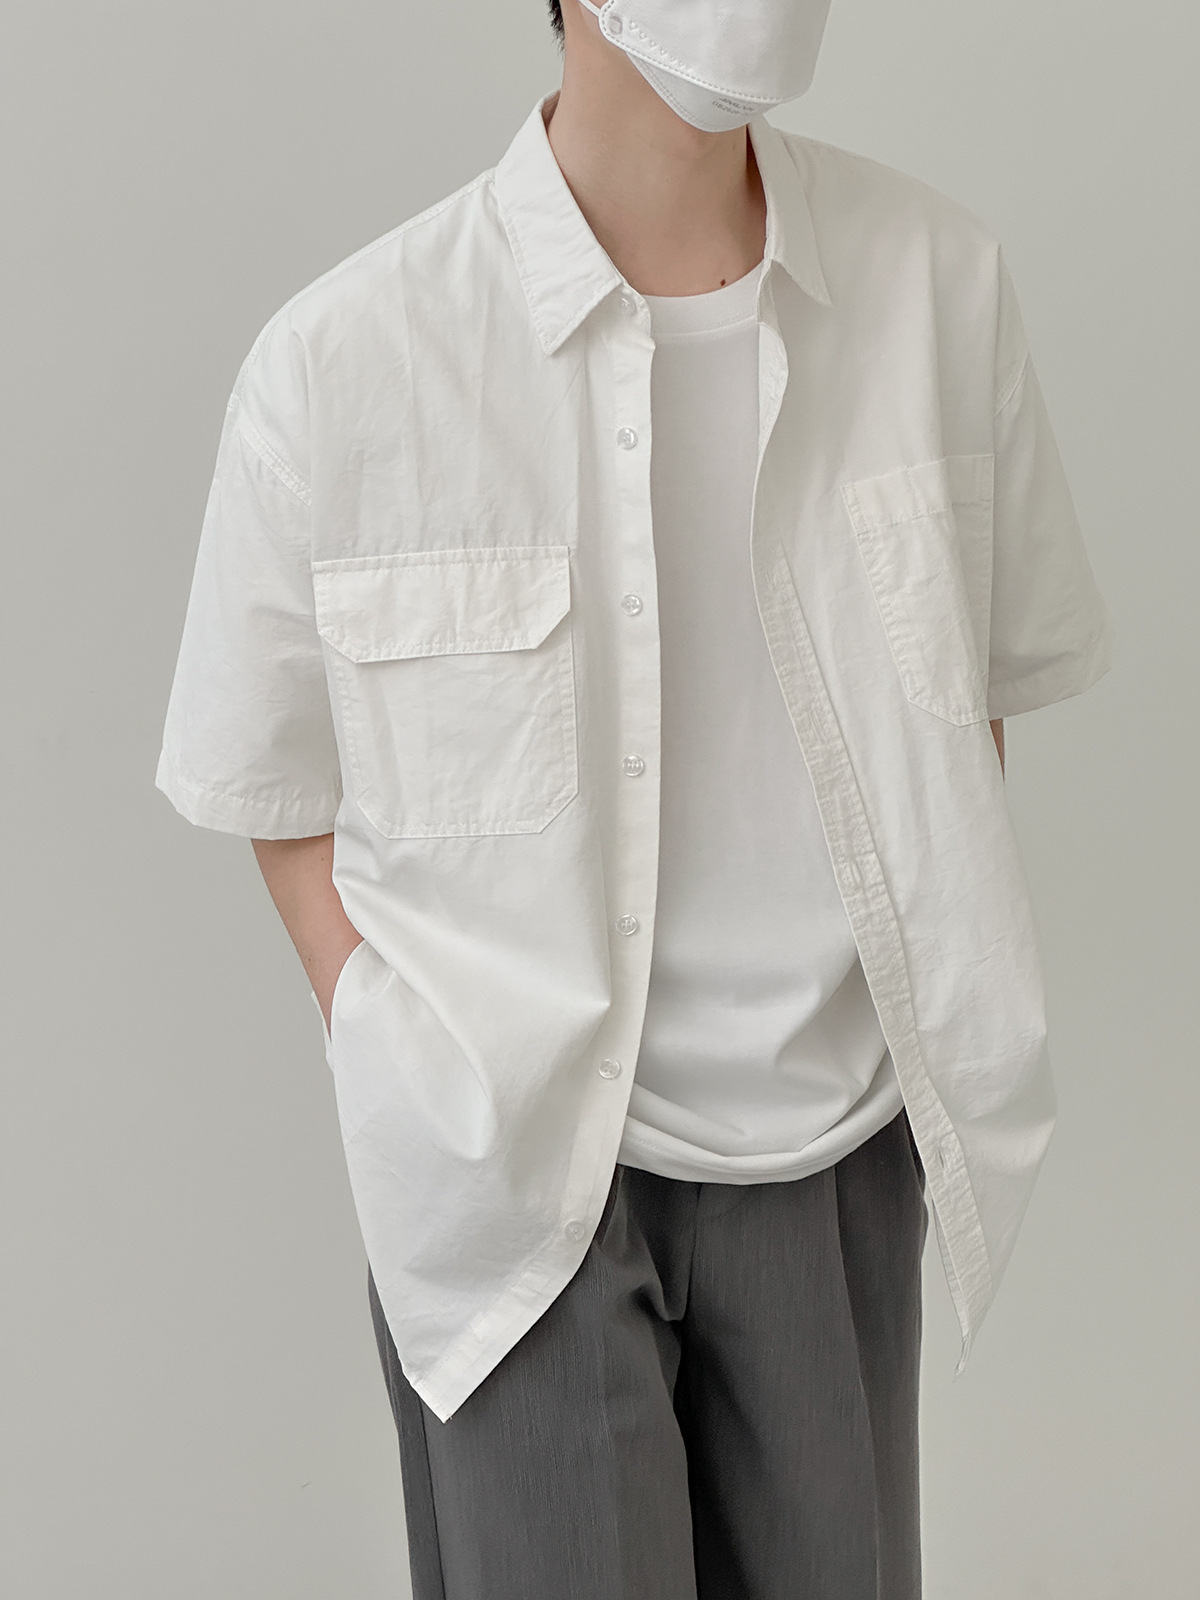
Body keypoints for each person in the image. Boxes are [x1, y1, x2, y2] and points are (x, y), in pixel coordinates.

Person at [156, 1, 1113, 1595]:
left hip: (834, 1150)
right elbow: (273, 777)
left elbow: (973, 696)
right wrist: (407, 1054)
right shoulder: (349, 359)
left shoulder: (936, 284)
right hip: (515, 1185)